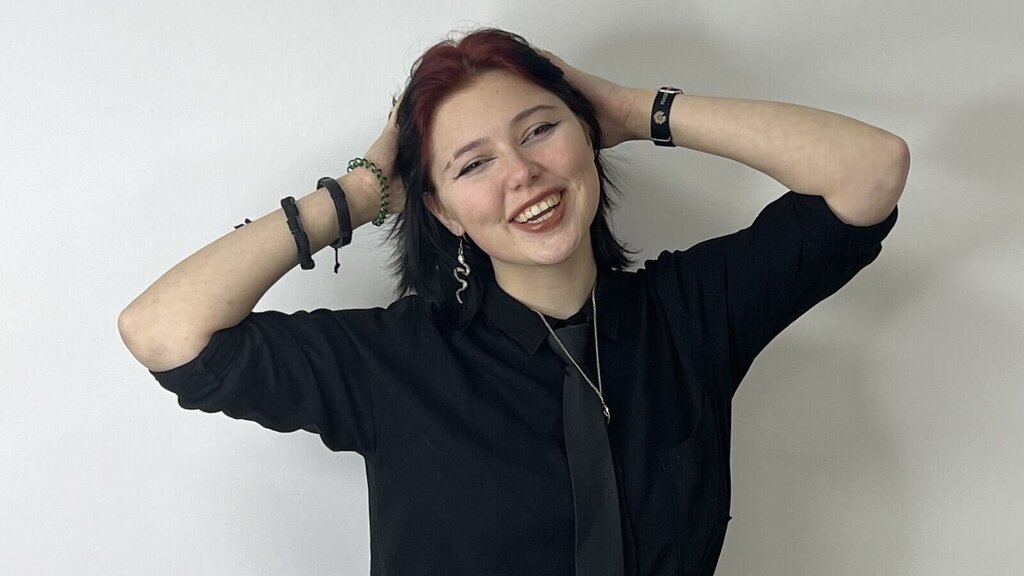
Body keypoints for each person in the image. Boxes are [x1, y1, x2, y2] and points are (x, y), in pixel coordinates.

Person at [118, 27, 908, 576]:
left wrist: (633, 110)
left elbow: (871, 171)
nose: (523, 174)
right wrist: (362, 192)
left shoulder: (688, 316)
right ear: (442, 211)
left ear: (586, 137)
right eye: (473, 165)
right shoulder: (391, 362)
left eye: (538, 131)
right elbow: (162, 331)